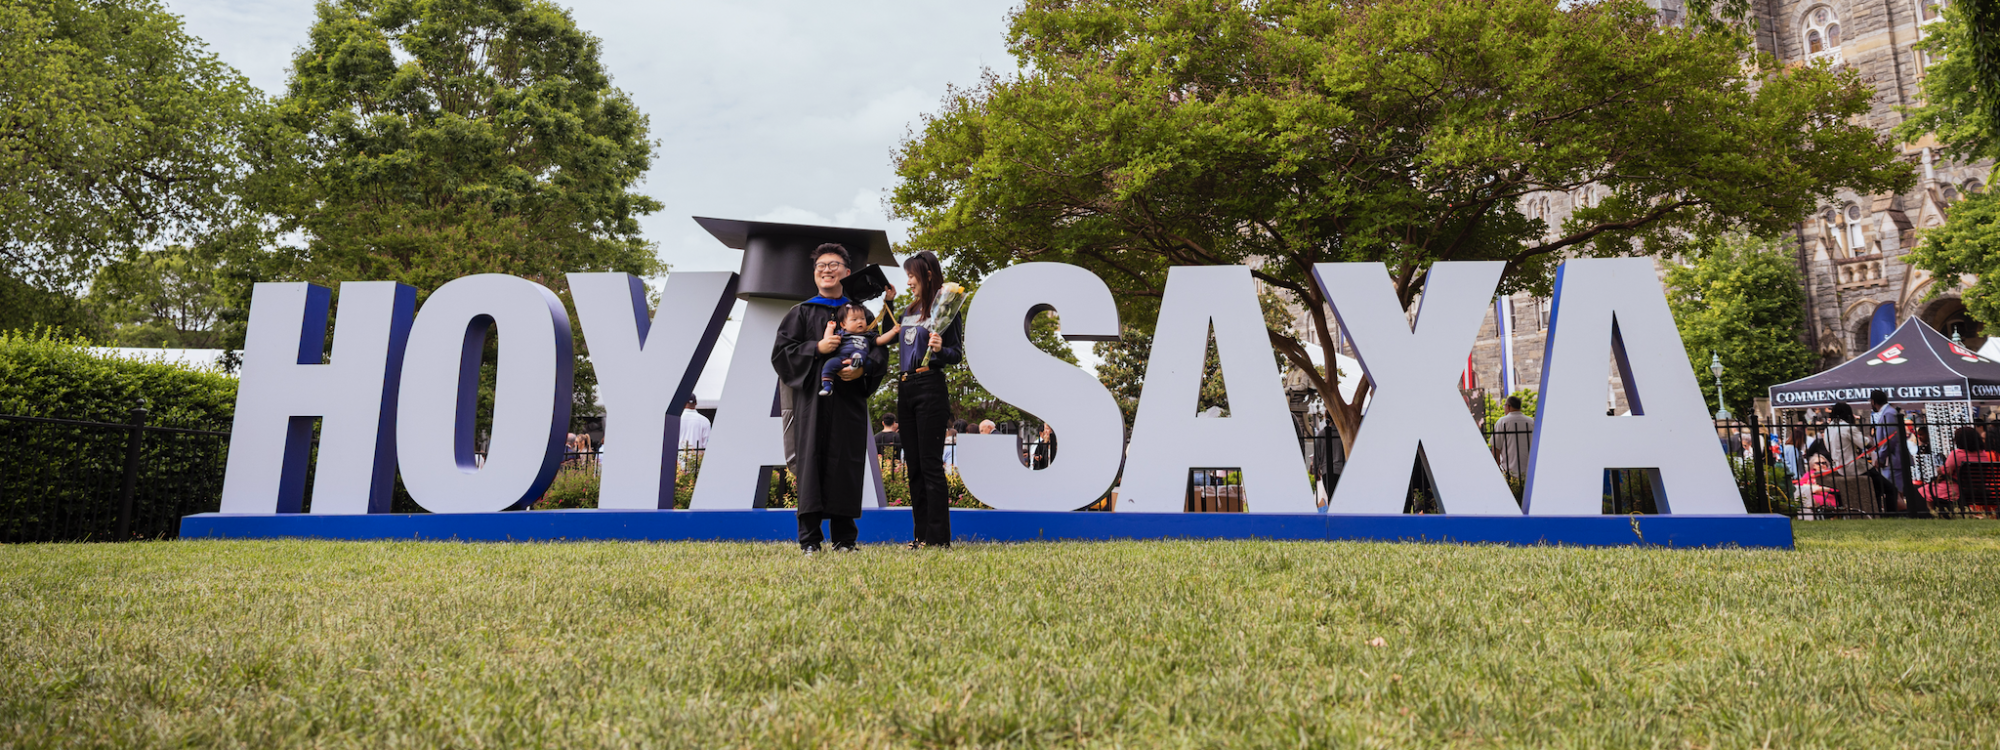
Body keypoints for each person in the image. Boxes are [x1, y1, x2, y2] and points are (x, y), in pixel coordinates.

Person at [771, 243, 889, 554]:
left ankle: (845, 539)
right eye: (821, 265)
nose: (827, 269)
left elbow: (879, 352)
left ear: (847, 273)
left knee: (845, 465)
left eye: (834, 264)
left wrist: (862, 372)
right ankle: (810, 540)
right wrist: (817, 349)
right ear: (814, 274)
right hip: (812, 402)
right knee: (811, 465)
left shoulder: (860, 313)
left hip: (848, 403)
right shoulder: (801, 312)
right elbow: (781, 355)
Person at [893, 250, 965, 549]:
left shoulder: (948, 310)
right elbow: (889, 337)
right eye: (907, 276)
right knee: (914, 467)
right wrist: (886, 301)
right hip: (905, 386)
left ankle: (938, 540)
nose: (909, 281)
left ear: (928, 275)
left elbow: (956, 354)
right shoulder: (907, 310)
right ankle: (920, 536)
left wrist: (939, 349)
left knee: (930, 464)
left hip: (930, 387)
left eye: (912, 275)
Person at [1870, 390, 1930, 517]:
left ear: (1873, 402)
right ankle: (1904, 515)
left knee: (1895, 492)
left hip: (1894, 460)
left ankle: (1906, 515)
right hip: (1892, 460)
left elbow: (1890, 439)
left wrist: (1881, 458)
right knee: (1895, 492)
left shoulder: (1889, 414)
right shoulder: (1888, 413)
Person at [818, 304, 899, 396]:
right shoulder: (842, 334)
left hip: (861, 357)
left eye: (862, 319)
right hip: (842, 358)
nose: (859, 322)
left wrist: (893, 331)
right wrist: (830, 328)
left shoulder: (868, 336)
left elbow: (881, 340)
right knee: (829, 364)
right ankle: (827, 386)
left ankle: (856, 362)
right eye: (854, 320)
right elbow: (828, 341)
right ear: (843, 324)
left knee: (861, 356)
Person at [1923, 426, 1997, 507]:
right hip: (1979, 489)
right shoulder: (1983, 454)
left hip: (1958, 489)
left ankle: (1933, 514)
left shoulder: (1957, 454)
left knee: (1925, 489)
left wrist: (1939, 468)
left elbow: (1946, 472)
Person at [1825, 403, 1874, 514]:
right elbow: (1865, 443)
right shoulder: (1847, 427)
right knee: (1888, 488)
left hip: (1839, 467)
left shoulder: (1829, 429)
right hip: (1854, 467)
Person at [1491, 396, 1533, 481]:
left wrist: (1496, 472)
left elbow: (1496, 449)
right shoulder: (1531, 422)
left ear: (1508, 406)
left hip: (1510, 474)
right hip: (1530, 473)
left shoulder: (1502, 422)